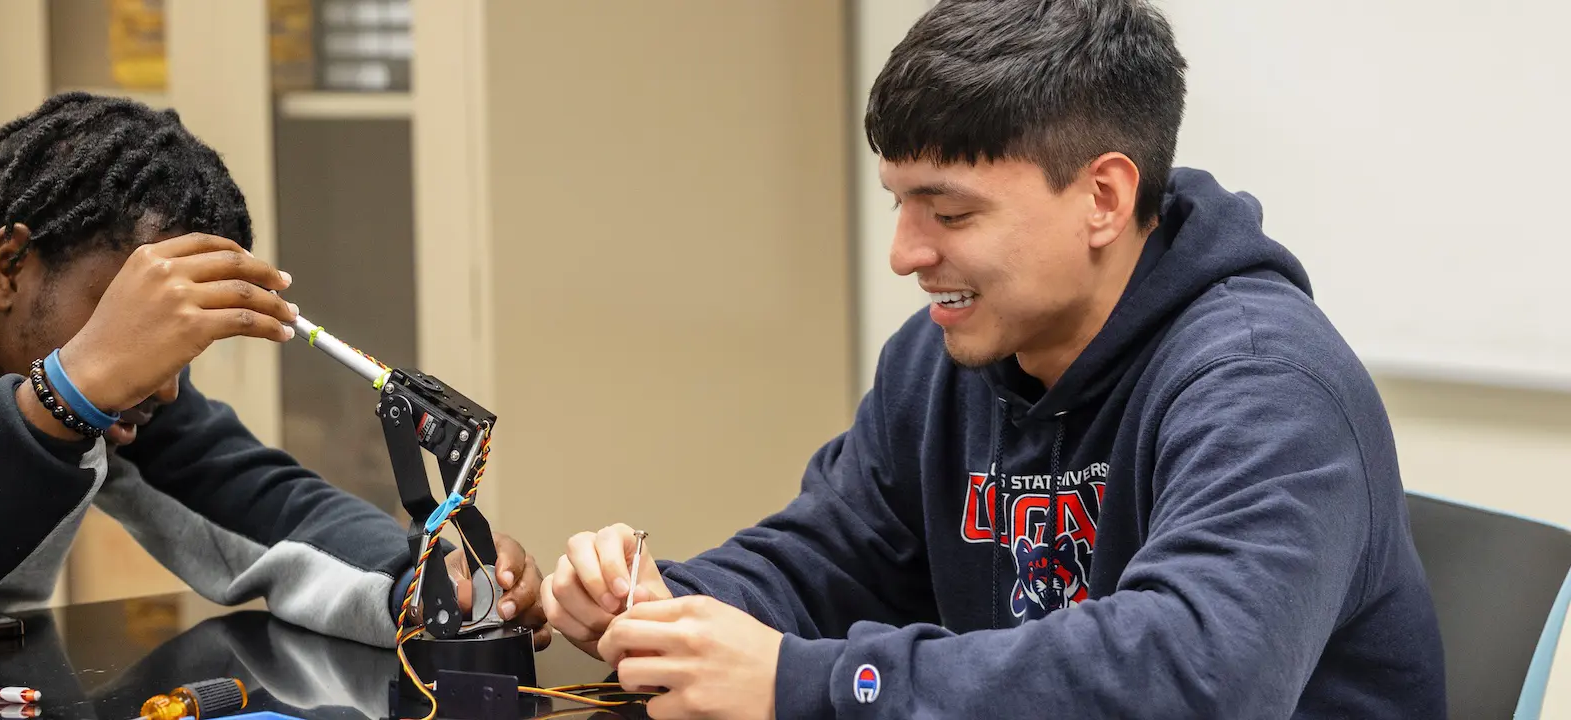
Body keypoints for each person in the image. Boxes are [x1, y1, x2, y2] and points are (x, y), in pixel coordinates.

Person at [540, 1, 1444, 717]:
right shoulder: (944, 362)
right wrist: (662, 607)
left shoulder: (1265, 385)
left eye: (951, 212)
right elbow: (829, 556)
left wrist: (811, 685)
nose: (905, 253)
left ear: (1102, 196)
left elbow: (1194, 681)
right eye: (898, 201)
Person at [0, 92, 546, 687]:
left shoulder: (88, 369)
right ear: (9, 263)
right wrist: (63, 397)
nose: (154, 377)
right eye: (127, 319)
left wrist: (429, 583)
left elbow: (260, 502)